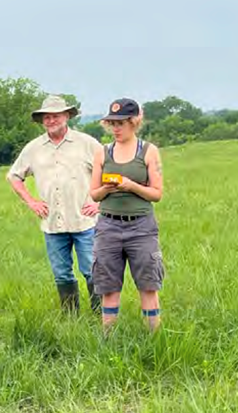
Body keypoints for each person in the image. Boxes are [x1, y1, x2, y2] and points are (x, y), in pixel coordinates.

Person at [7, 94, 102, 313]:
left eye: (56, 116)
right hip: (52, 224)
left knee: (92, 270)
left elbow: (111, 172)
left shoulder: (86, 143)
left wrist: (100, 203)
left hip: (85, 221)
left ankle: (100, 315)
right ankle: (71, 317)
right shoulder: (33, 148)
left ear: (67, 116)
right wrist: (31, 202)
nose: (51, 121)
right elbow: (14, 176)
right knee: (61, 273)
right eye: (46, 117)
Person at [88, 98, 164, 332]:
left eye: (121, 123)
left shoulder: (149, 151)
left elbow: (157, 193)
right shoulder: (103, 153)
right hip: (108, 227)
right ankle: (108, 340)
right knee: (108, 288)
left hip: (141, 227)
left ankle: (154, 338)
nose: (116, 129)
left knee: (148, 286)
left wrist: (132, 186)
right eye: (112, 123)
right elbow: (94, 195)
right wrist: (107, 189)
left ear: (134, 122)